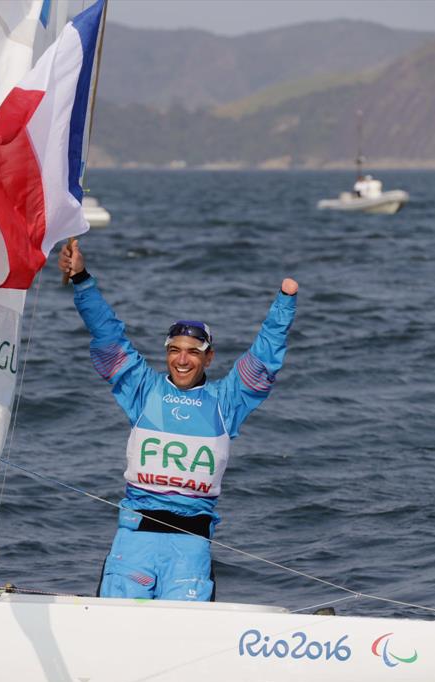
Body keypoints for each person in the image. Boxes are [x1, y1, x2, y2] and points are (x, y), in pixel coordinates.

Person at [58, 240, 298, 602]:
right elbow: (107, 335)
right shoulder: (143, 389)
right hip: (134, 543)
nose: (182, 360)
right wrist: (81, 280)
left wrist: (284, 303)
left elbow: (264, 359)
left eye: (192, 352)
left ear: (209, 357)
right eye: (174, 351)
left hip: (190, 551)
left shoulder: (226, 401)